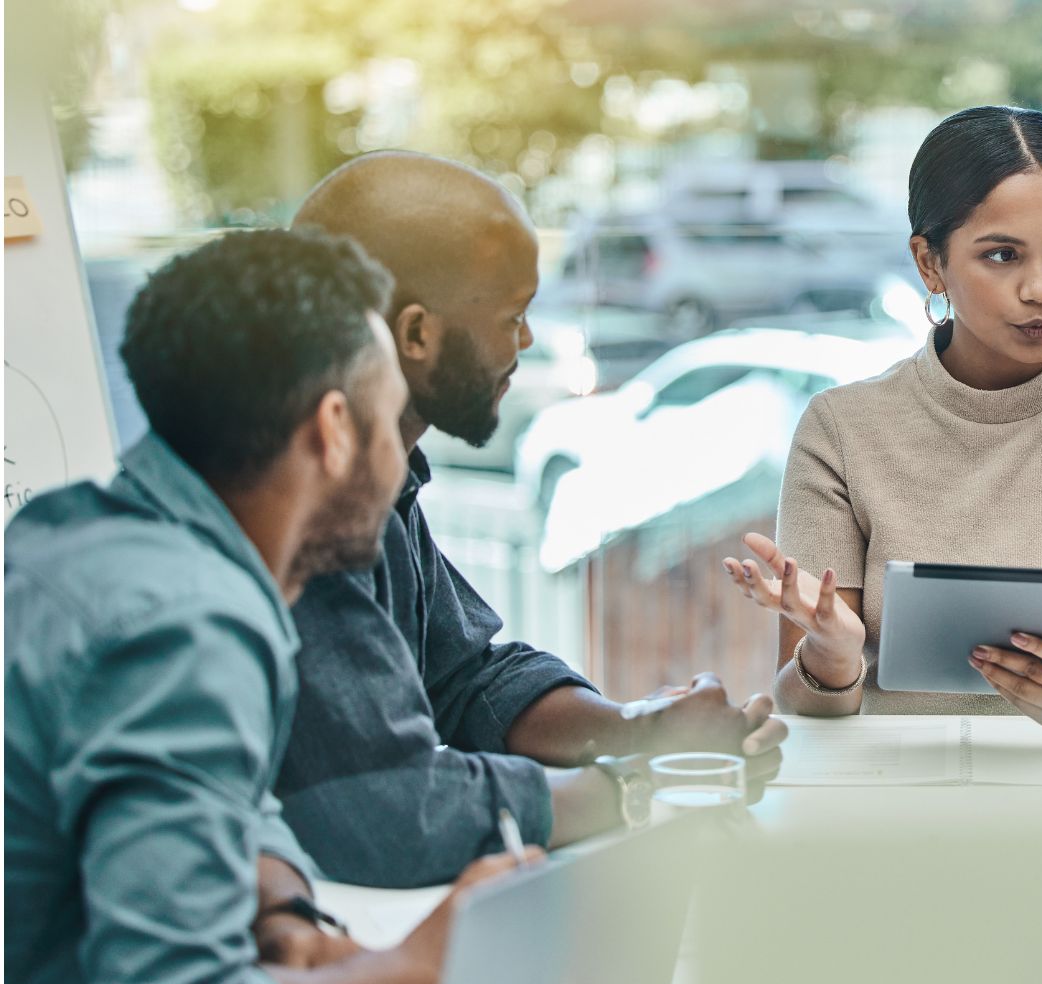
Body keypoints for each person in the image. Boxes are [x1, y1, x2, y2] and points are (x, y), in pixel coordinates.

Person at [4, 229, 533, 984]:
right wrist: (417, 968)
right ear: (333, 430)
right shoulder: (183, 627)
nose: (404, 456)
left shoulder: (82, 536)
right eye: (391, 414)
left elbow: (229, 799)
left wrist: (283, 912)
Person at [276, 151, 786, 888]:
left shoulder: (372, 473)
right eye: (512, 317)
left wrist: (644, 732)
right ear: (416, 335)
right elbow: (389, 814)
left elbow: (468, 680)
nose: (524, 344)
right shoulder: (298, 506)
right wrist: (641, 794)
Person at [720, 105, 1042, 729]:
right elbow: (806, 701)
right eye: (1002, 256)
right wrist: (832, 655)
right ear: (930, 262)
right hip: (891, 786)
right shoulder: (840, 430)